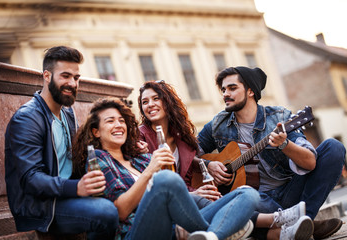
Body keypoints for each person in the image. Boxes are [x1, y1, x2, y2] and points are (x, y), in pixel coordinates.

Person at [72, 97, 261, 240]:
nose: (119, 125)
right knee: (166, 179)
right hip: (135, 232)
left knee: (247, 194)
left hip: (174, 225)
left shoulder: (139, 159)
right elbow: (120, 211)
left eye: (121, 120)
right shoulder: (99, 159)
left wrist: (196, 194)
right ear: (96, 131)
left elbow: (172, 196)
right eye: (110, 121)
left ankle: (211, 236)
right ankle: (219, 231)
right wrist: (151, 170)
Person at [197, 66, 346, 239]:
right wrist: (209, 165)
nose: (225, 94)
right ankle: (303, 227)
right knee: (244, 194)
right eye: (223, 90)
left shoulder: (279, 118)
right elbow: (189, 153)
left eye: (232, 88)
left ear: (250, 91)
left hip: (290, 193)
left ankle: (304, 220)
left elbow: (310, 162)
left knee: (333, 147)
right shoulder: (217, 125)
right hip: (255, 201)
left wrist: (285, 145)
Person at [5, 46, 118, 239]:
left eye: (76, 78)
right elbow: (31, 180)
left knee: (122, 194)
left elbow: (75, 156)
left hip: (65, 196)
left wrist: (129, 148)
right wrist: (76, 188)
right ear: (47, 76)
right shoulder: (27, 118)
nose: (72, 83)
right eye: (65, 76)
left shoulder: (67, 112)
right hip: (41, 208)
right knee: (105, 212)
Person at [138, 80, 220, 205]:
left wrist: (200, 191)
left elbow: (186, 179)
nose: (150, 104)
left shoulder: (181, 135)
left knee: (233, 196)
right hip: (162, 202)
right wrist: (193, 194)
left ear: (168, 101)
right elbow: (147, 184)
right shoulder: (139, 137)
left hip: (187, 198)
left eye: (156, 98)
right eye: (145, 102)